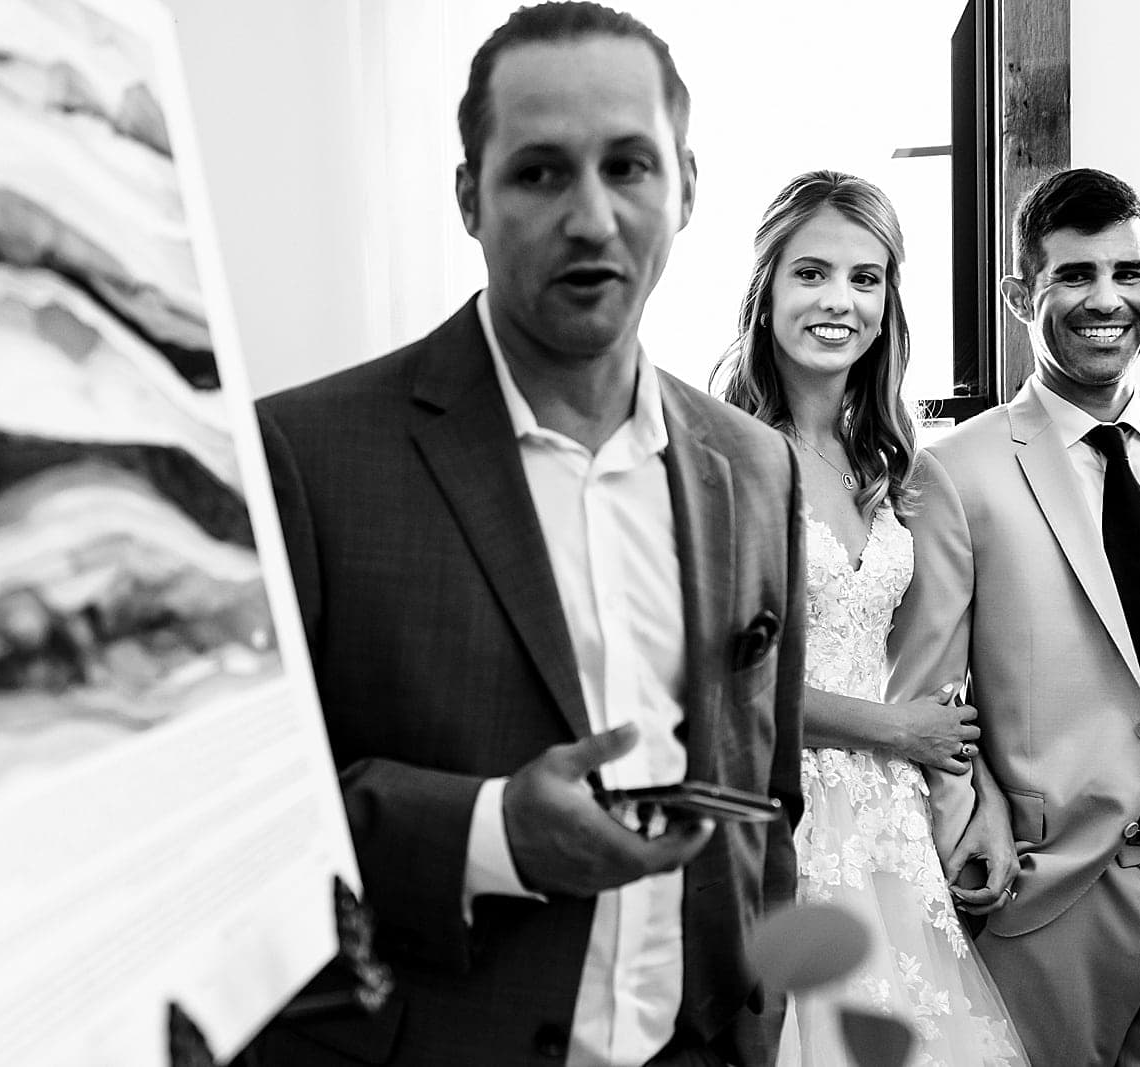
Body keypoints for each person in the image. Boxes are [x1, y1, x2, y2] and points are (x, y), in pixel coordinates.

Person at [249, 4, 806, 1064]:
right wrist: (493, 831)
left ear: (686, 184)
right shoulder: (304, 457)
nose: (591, 217)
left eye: (628, 166)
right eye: (541, 172)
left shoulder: (753, 464)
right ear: (470, 196)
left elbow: (764, 798)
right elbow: (243, 839)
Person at [888, 166, 1140, 1065]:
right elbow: (925, 692)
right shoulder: (954, 472)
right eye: (1074, 275)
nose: (1105, 298)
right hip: (1045, 897)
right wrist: (971, 828)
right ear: (1018, 295)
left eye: (1128, 273)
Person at [714, 171, 1025, 1065]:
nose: (837, 300)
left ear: (889, 303)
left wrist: (982, 794)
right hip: (782, 816)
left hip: (894, 832)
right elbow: (719, 678)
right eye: (810, 273)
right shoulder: (727, 455)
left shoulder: (883, 463)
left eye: (865, 277)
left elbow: (929, 667)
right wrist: (897, 731)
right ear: (766, 288)